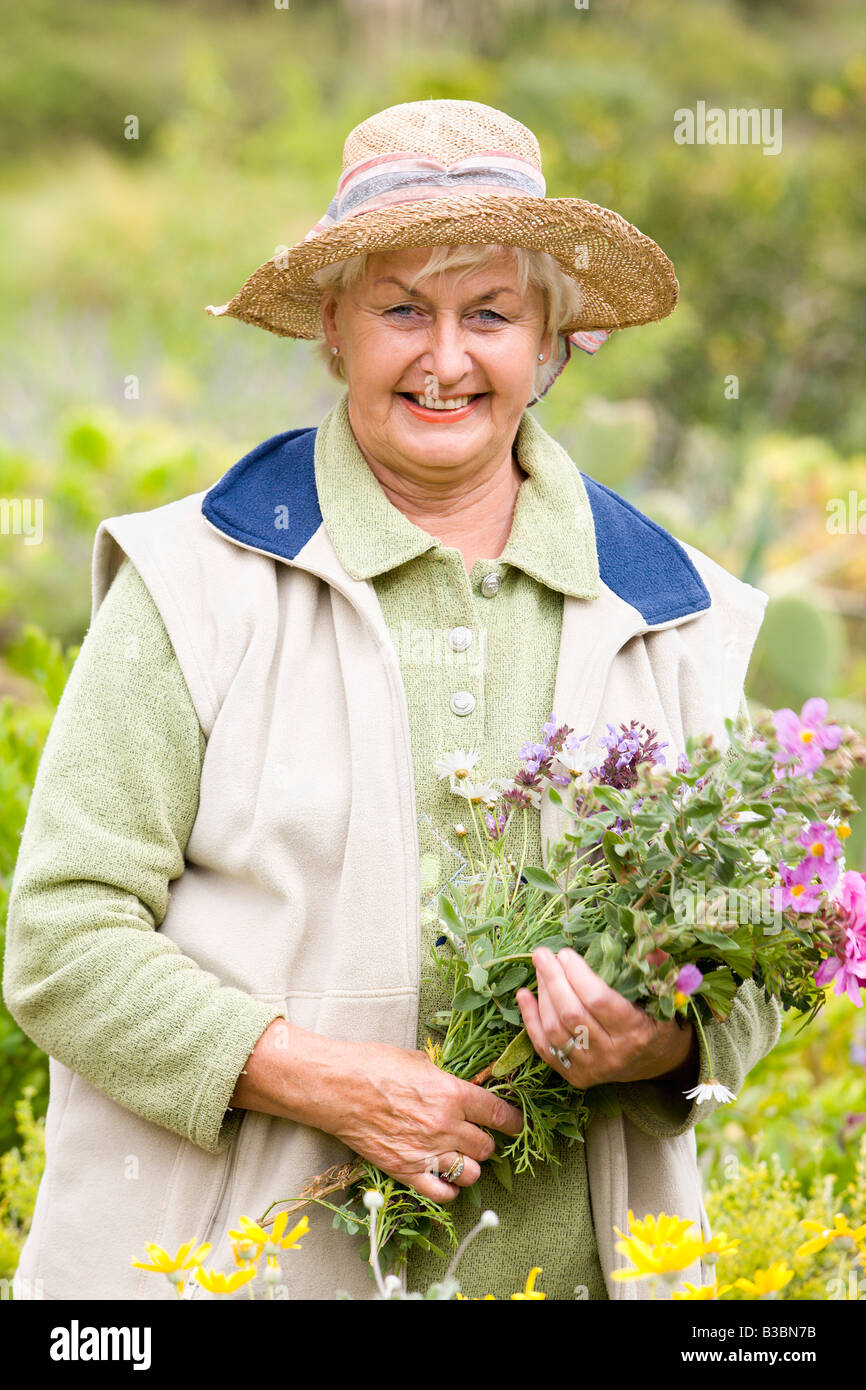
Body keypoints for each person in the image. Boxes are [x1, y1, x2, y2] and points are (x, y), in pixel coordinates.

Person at [3, 99, 780, 1301]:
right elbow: (62, 935)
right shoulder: (196, 581)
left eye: (491, 314)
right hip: (233, 1282)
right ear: (331, 327)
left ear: (553, 338)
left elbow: (752, 953)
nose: (446, 359)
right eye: (401, 309)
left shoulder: (671, 611)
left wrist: (664, 1035)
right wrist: (322, 1078)